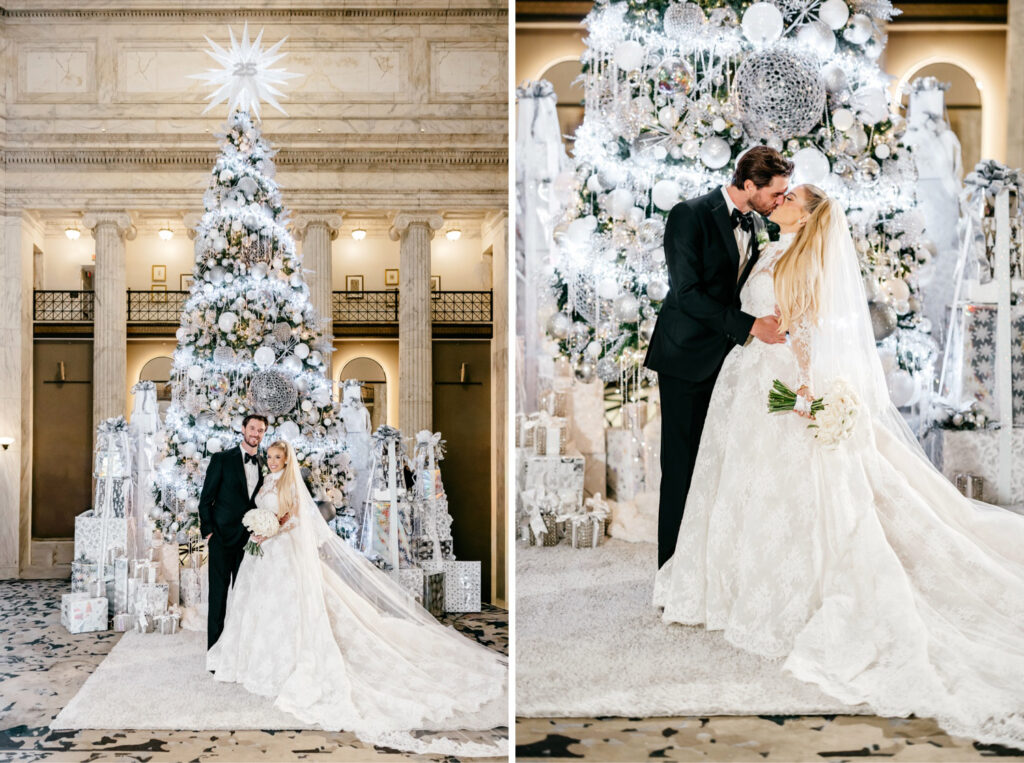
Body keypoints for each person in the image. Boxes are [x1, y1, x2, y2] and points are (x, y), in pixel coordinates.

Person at [653, 184, 1024, 748]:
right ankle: (721, 580)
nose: (780, 199)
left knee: (775, 490)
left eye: (791, 196)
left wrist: (805, 390)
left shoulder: (797, 257)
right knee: (740, 488)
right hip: (746, 379)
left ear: (807, 214)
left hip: (774, 382)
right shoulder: (771, 246)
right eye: (778, 193)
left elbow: (802, 327)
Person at [207, 439, 508, 757]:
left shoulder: (288, 482)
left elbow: (297, 519)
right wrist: (260, 529)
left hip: (282, 551)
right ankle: (255, 656)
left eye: (278, 457)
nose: (272, 461)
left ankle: (289, 659)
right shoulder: (267, 480)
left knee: (290, 608)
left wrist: (272, 530)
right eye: (270, 456)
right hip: (263, 552)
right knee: (260, 607)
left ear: (287, 459)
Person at [644, 146, 792, 568]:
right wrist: (750, 326)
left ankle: (707, 566)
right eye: (776, 194)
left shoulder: (760, 223)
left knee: (717, 466)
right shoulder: (689, 214)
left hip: (731, 363)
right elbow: (686, 293)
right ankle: (670, 571)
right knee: (682, 467)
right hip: (686, 358)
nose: (780, 201)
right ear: (749, 186)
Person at [197, 413, 267, 649]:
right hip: (221, 538)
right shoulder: (222, 459)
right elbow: (205, 499)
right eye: (253, 428)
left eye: (261, 430)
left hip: (250, 542)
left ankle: (240, 651)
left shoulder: (266, 463)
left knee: (246, 596)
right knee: (218, 598)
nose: (256, 434)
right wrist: (208, 532)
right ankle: (215, 652)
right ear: (243, 429)